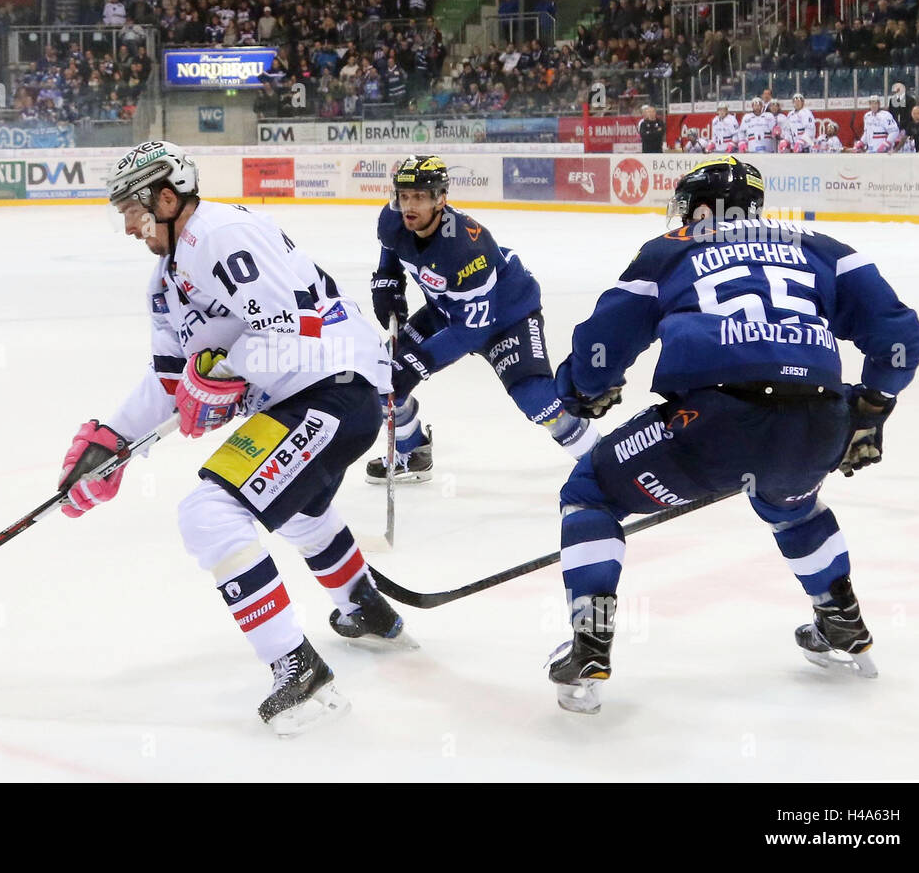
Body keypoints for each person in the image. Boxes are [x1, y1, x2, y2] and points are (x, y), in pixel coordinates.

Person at [546, 156, 919, 714]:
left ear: (700, 209)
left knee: (590, 492)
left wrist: (584, 388)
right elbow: (901, 338)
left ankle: (590, 641)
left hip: (713, 422)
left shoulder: (671, 249)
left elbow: (602, 345)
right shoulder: (822, 247)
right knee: (792, 503)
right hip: (819, 421)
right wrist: (870, 407)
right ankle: (841, 621)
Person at [59, 141, 415, 737]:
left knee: (208, 513)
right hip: (306, 397)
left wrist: (220, 375)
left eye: (132, 210)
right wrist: (114, 441)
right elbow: (171, 381)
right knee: (301, 511)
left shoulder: (220, 233)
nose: (126, 226)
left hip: (334, 384)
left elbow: (289, 326)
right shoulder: (164, 282)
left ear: (167, 198)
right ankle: (365, 606)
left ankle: (297, 671)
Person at [365, 156, 598, 483]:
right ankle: (413, 451)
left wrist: (417, 362)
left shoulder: (465, 247)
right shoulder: (393, 220)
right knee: (382, 373)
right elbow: (392, 251)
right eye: (404, 196)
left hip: (507, 317)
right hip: (449, 308)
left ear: (440, 198)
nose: (409, 205)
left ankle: (599, 457)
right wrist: (388, 282)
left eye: (419, 196)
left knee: (537, 400)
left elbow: (473, 331)